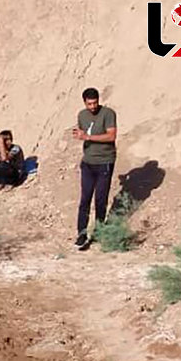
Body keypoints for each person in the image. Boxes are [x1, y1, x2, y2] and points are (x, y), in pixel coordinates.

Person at [72, 87, 117, 249]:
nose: (92, 106)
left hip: (104, 161)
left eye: (95, 103)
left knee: (100, 199)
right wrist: (80, 135)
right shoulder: (82, 115)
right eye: (89, 103)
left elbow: (111, 135)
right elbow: (83, 133)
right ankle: (81, 233)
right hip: (88, 162)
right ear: (84, 102)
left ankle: (99, 231)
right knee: (85, 199)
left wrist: (87, 137)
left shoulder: (108, 113)